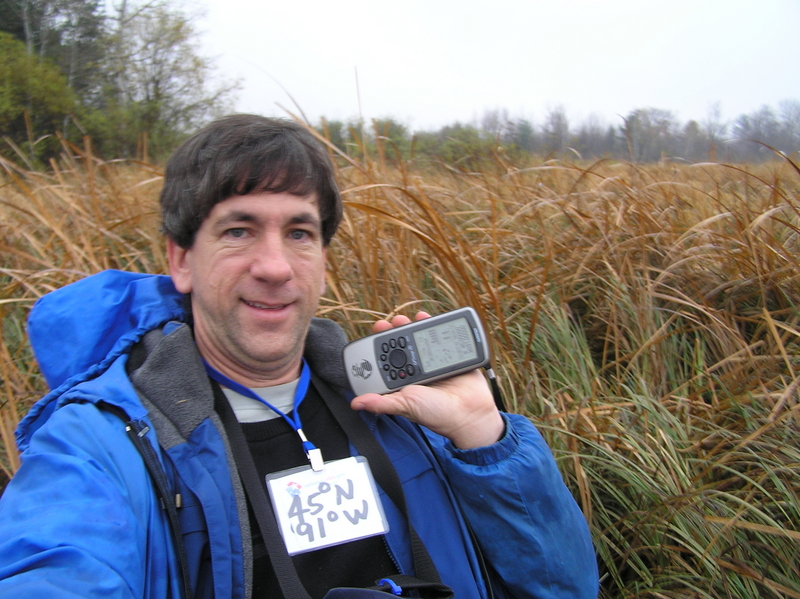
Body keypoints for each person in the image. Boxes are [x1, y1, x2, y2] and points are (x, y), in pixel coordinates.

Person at [0, 115, 599, 598]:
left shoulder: (407, 412)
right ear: (181, 259)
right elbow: (56, 561)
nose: (275, 267)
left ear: (323, 258)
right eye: (238, 231)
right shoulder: (100, 444)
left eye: (299, 233)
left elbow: (567, 586)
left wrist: (483, 437)